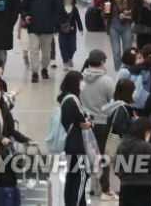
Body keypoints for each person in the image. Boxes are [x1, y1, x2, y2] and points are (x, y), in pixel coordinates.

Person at [80, 49, 117, 200]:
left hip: (85, 124)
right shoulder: (107, 81)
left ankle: (90, 188)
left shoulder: (80, 80)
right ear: (102, 62)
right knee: (103, 158)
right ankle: (105, 190)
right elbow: (113, 103)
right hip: (103, 124)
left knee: (89, 157)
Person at [20, 0, 63, 82]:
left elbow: (58, 10)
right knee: (34, 49)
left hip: (47, 29)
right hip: (33, 27)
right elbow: (23, 7)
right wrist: (25, 16)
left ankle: (44, 68)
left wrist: (53, 22)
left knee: (46, 51)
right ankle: (34, 71)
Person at [58, 71, 92, 206]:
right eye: (80, 81)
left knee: (72, 174)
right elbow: (82, 121)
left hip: (69, 144)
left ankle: (70, 202)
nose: (82, 84)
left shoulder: (65, 98)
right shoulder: (73, 99)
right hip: (76, 144)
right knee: (81, 174)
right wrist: (90, 123)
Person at [115, 117, 151, 206]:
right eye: (149, 132)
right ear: (146, 130)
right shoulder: (147, 147)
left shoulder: (121, 145)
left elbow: (117, 169)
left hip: (126, 187)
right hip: (145, 188)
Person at [103, 0, 134, 71]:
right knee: (116, 51)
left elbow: (134, 9)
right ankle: (119, 71)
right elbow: (104, 15)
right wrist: (106, 9)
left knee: (128, 49)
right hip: (113, 24)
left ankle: (128, 69)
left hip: (126, 24)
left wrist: (129, 12)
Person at [102, 79, 136, 144]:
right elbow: (122, 130)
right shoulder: (122, 109)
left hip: (109, 141)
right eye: (133, 90)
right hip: (119, 146)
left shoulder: (113, 105)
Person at [59, 0, 84, 70]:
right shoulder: (60, 8)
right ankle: (65, 62)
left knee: (73, 47)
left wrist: (81, 29)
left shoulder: (75, 9)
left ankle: (70, 57)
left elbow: (78, 19)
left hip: (72, 32)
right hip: (62, 31)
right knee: (63, 47)